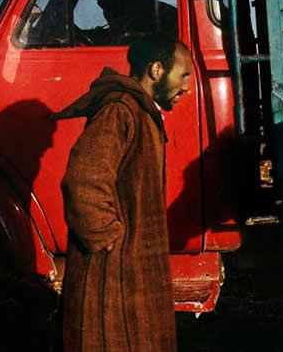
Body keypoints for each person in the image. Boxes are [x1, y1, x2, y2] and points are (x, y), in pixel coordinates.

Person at [56, 34, 192, 352]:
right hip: (111, 268)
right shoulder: (119, 111)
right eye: (183, 75)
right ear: (157, 70)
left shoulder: (139, 112)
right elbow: (83, 179)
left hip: (129, 268)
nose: (186, 86)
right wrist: (108, 239)